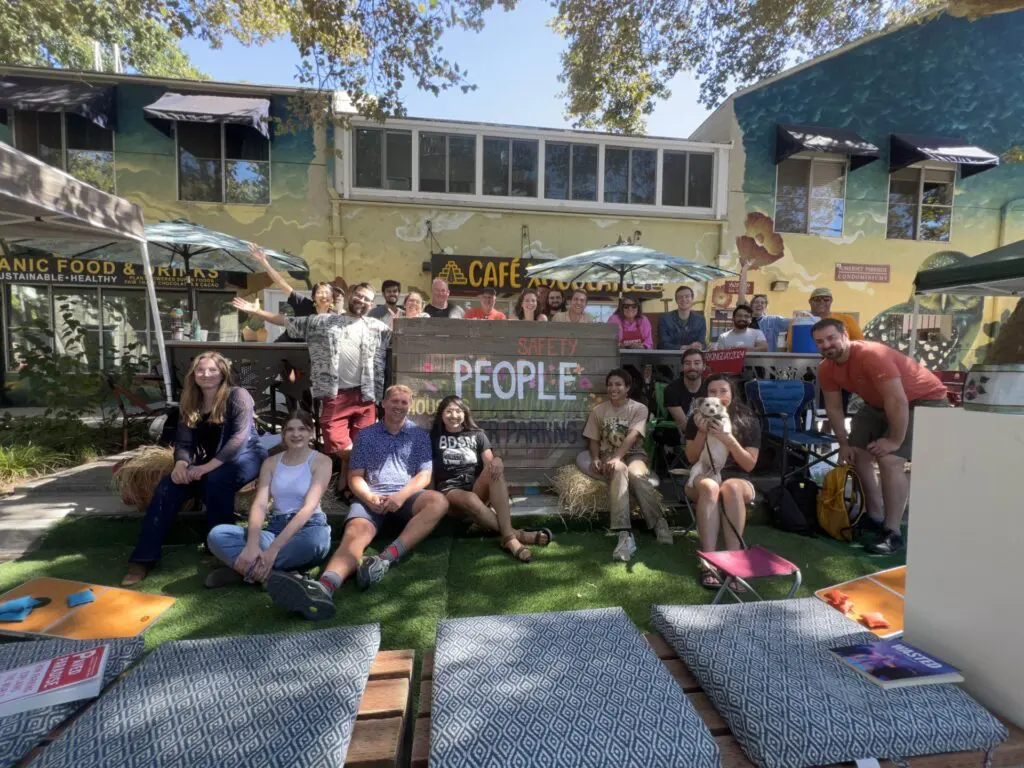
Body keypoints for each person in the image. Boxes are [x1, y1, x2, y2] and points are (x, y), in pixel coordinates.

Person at [265, 385, 449, 620]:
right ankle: (324, 587)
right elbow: (355, 477)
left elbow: (424, 476)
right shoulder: (366, 435)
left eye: (404, 402)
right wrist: (369, 498)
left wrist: (401, 496)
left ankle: (383, 560)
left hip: (406, 497)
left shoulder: (419, 435)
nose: (399, 406)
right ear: (383, 403)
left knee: (438, 502)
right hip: (372, 496)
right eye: (394, 401)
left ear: (410, 406)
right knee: (353, 538)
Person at [122, 351, 267, 586]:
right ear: (193, 374)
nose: (206, 374)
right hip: (211, 461)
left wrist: (205, 468)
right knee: (169, 485)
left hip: (246, 456)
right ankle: (143, 558)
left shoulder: (238, 395)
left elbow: (238, 440)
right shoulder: (191, 400)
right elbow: (184, 442)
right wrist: (181, 464)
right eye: (201, 370)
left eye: (212, 370)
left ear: (223, 373)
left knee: (216, 480)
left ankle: (219, 549)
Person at [234, 283, 389, 496]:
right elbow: (286, 321)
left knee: (362, 443)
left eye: (367, 299)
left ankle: (348, 489)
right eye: (359, 296)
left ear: (371, 304)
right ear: (351, 295)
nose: (362, 301)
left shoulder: (377, 327)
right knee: (339, 443)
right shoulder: (323, 321)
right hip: (335, 395)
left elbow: (406, 338)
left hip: (366, 395)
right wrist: (258, 312)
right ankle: (357, 480)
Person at [812, 318, 950, 555]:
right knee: (856, 453)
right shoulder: (826, 368)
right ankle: (874, 516)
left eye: (831, 338)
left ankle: (892, 532)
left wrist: (894, 441)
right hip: (879, 404)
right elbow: (833, 408)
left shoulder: (871, 355)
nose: (826, 345)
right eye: (820, 341)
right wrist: (843, 444)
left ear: (845, 335)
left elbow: (897, 400)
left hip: (923, 401)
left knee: (889, 459)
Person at [204, 410, 332, 589]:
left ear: (310, 432)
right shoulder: (271, 462)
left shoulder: (322, 461)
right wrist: (252, 545)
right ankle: (272, 575)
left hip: (309, 528)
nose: (296, 434)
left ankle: (244, 571)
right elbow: (260, 504)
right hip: (275, 529)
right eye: (290, 429)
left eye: (302, 429)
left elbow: (308, 508)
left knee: (315, 542)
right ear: (283, 434)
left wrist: (273, 550)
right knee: (217, 535)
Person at [430, 396, 552, 562]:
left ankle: (508, 537)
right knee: (470, 498)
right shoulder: (433, 437)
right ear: (441, 414)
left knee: (495, 471)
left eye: (458, 411)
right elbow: (428, 470)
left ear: (465, 414)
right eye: (449, 411)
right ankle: (516, 536)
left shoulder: (478, 435)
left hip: (475, 488)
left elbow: (490, 463)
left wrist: (496, 460)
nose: (454, 415)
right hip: (449, 491)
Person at [577, 368, 672, 561]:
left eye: (618, 384)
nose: (613, 388)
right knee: (619, 470)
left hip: (635, 454)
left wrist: (619, 457)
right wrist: (595, 458)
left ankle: (658, 522)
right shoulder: (598, 411)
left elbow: (633, 436)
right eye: (610, 384)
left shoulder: (639, 408)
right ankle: (624, 533)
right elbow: (594, 440)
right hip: (608, 454)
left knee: (636, 474)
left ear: (627, 388)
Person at [684, 374, 761, 589]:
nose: (718, 396)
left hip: (738, 477)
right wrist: (701, 432)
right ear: (706, 396)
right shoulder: (697, 418)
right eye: (713, 392)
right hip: (704, 474)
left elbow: (749, 465)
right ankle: (709, 562)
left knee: (731, 488)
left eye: (723, 391)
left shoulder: (748, 419)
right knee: (711, 487)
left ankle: (733, 562)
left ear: (732, 393)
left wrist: (728, 439)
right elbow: (691, 458)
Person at [789, 287, 864, 349]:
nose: (822, 302)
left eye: (826, 299)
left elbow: (860, 344)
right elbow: (791, 345)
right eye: (817, 300)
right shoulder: (799, 321)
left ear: (831, 301)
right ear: (810, 302)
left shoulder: (847, 319)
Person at [737, 264, 788, 352]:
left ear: (766, 307)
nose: (759, 304)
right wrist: (744, 270)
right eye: (756, 302)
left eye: (762, 303)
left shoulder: (773, 321)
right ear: (751, 305)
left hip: (766, 358)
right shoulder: (744, 318)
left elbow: (793, 323)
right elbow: (741, 292)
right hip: (746, 357)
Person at [664, 348, 706, 432]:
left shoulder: (710, 386)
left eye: (697, 363)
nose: (692, 367)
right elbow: (684, 426)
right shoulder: (671, 389)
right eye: (687, 363)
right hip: (679, 436)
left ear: (704, 366)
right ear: (682, 367)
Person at [658, 286, 706, 350]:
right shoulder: (665, 319)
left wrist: (700, 346)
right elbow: (662, 344)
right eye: (680, 297)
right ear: (676, 300)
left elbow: (702, 343)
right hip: (671, 355)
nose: (683, 299)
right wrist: (684, 347)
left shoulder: (700, 319)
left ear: (692, 298)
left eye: (687, 296)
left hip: (692, 354)